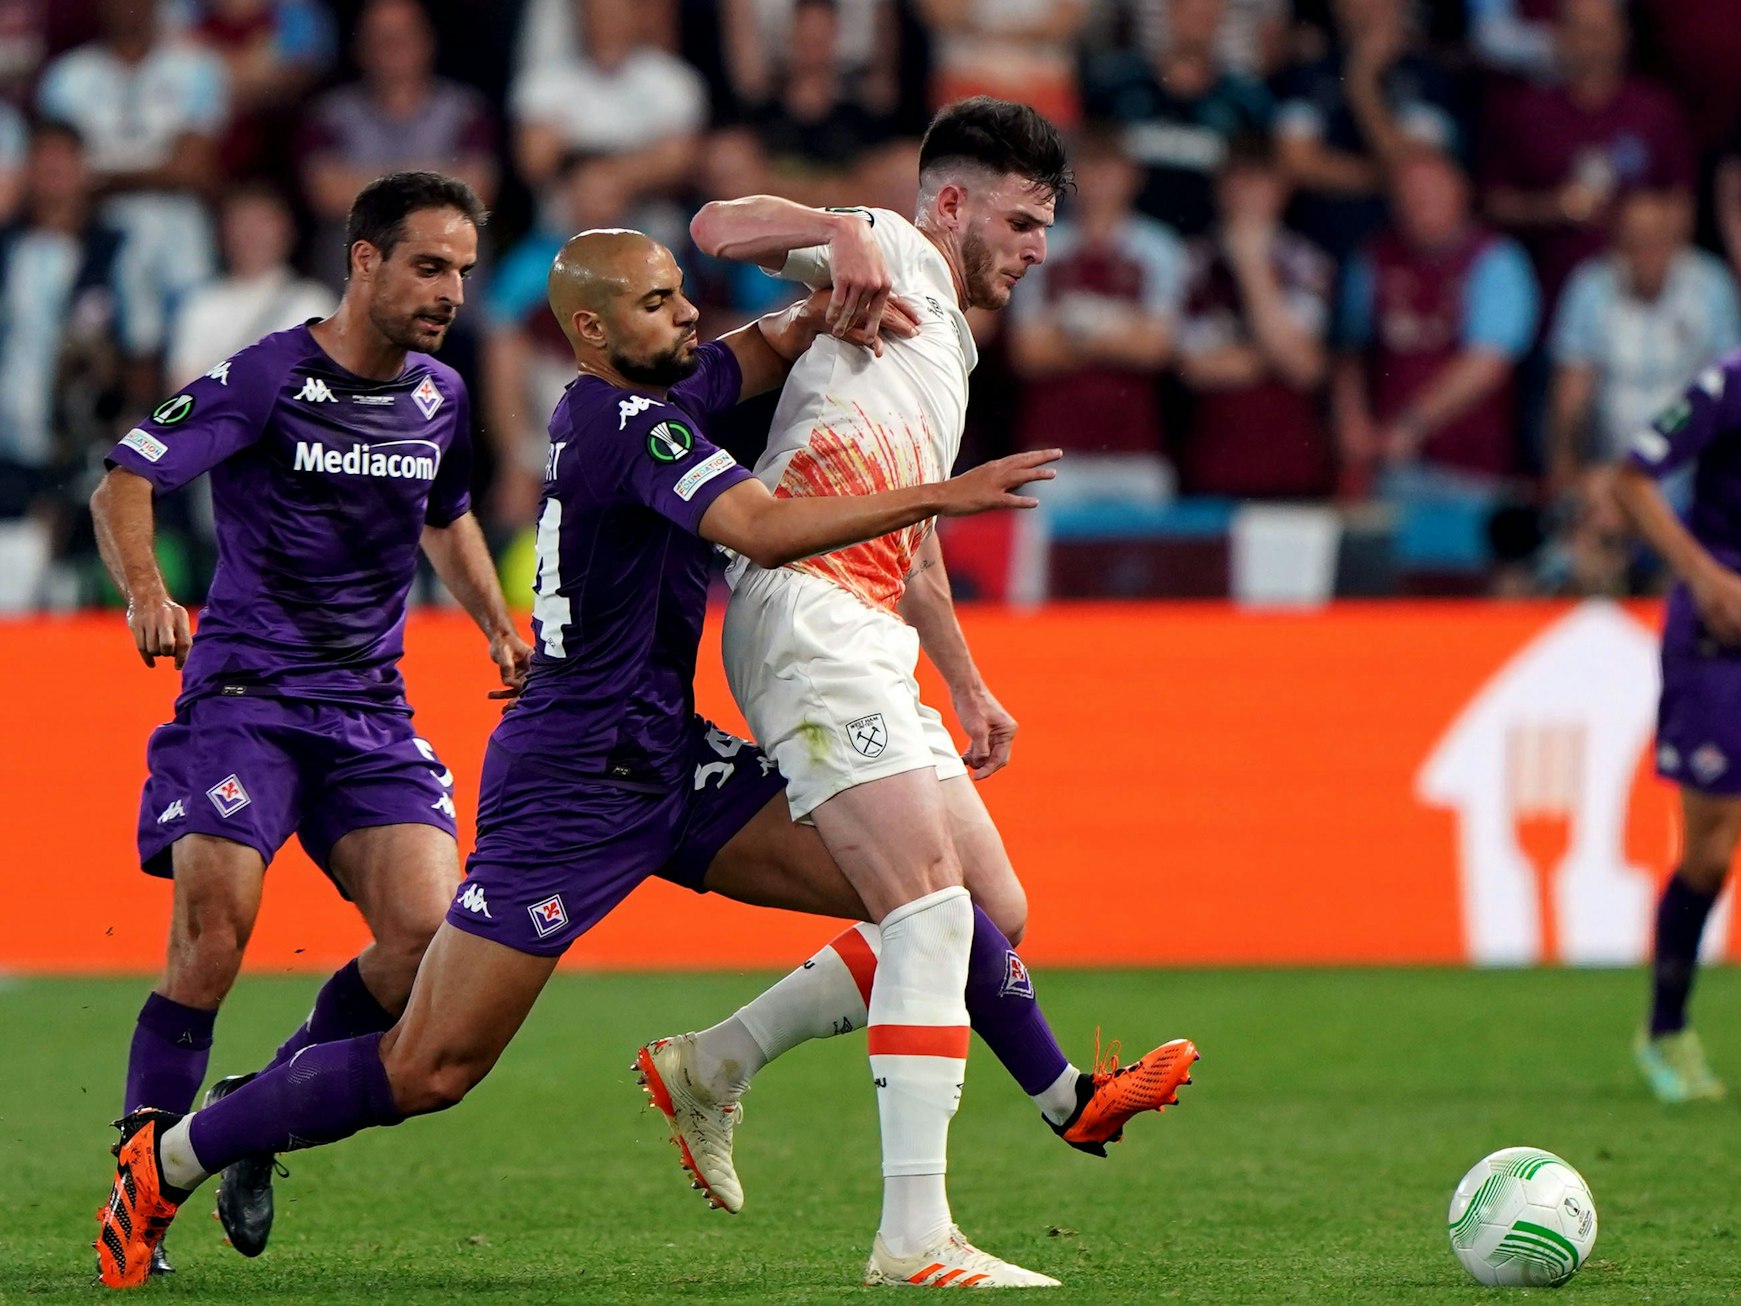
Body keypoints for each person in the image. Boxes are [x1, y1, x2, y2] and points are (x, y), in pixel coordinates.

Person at [89, 225, 1070, 1291]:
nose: (689, 313)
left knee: (931, 900)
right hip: (569, 784)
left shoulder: (654, 392)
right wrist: (941, 493)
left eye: (684, 296)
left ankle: (959, 1117)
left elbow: (761, 339)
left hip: (666, 757)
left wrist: (833, 290)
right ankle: (175, 1155)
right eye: (659, 302)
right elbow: (768, 530)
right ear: (593, 329)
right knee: (429, 1068)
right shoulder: (625, 426)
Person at [662, 96, 1197, 1286]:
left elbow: (917, 525)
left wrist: (965, 680)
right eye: (1022, 219)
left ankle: (717, 1061)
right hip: (803, 612)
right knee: (929, 912)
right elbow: (714, 222)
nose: (1038, 247)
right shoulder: (896, 249)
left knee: (990, 911)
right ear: (949, 203)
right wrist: (837, 225)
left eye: (1046, 225)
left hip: (870, 628)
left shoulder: (947, 336)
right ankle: (918, 1231)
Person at [89, 171, 528, 1277]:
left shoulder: (439, 395)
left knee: (427, 940)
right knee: (217, 935)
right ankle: (138, 1191)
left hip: (369, 710)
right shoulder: (267, 375)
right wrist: (147, 589)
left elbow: (450, 516)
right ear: (366, 260)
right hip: (244, 699)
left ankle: (257, 1109)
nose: (449, 291)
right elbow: (125, 481)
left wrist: (494, 625)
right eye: (429, 265)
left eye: (464, 271)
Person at [1614, 350, 1741, 1104]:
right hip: (1717, 632)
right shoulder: (1726, 385)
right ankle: (1664, 1029)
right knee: (1709, 846)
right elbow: (1630, 478)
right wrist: (1703, 574)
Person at [1333, 147, 1539, 496]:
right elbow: (1351, 349)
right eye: (1409, 194)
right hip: (1390, 466)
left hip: (1473, 468)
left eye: (1430, 192)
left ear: (1459, 191)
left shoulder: (1496, 260)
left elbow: (1487, 363)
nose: (1420, 204)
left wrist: (1413, 423)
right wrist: (1350, 419)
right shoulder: (1372, 259)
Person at [1547, 188, 1740, 497]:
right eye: (1635, 242)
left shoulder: (1711, 286)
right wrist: (1565, 469)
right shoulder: (1590, 288)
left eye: (1658, 240)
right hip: (1610, 473)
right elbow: (1571, 395)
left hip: (1691, 470)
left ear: (1678, 239)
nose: (1648, 253)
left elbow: (1724, 388)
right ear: (1617, 244)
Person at [1176, 131, 1333, 499]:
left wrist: (1251, 262)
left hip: (1291, 466)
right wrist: (1272, 355)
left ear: (1282, 191)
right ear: (1221, 189)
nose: (1247, 196)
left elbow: (1304, 368)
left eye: (1261, 184)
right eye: (1239, 183)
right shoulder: (1193, 261)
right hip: (1213, 464)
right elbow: (1193, 369)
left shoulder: (1307, 262)